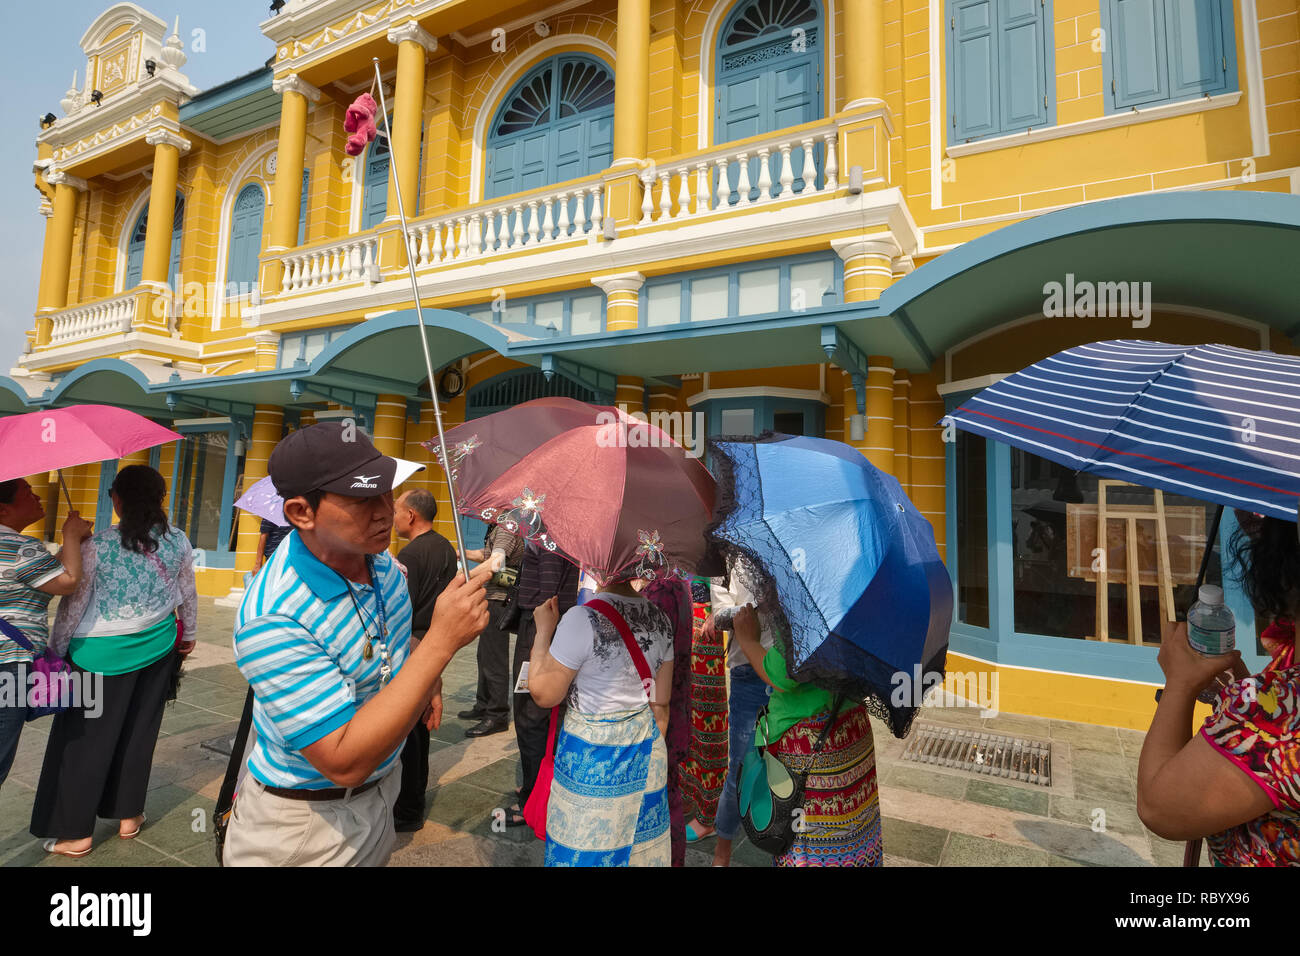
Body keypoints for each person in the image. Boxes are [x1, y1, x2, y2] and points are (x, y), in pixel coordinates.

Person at [223, 423, 494, 866]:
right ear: (300, 512)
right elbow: (343, 759)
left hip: (380, 795)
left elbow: (393, 637)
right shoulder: (275, 615)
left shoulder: (381, 563)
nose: (385, 511)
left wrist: (426, 679)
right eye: (362, 499)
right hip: (304, 826)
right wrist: (440, 645)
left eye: (387, 492)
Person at [31, 465, 198, 857]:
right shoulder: (178, 542)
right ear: (159, 499)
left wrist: (57, 650)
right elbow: (186, 593)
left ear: (116, 500)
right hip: (158, 648)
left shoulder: (95, 546)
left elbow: (74, 606)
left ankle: (75, 833)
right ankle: (128, 816)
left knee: (84, 743)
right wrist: (188, 635)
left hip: (97, 656)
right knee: (139, 732)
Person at [1137, 513, 1300, 865]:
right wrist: (1244, 691)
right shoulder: (1281, 684)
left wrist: (1178, 685)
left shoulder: (1284, 716)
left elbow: (1158, 806)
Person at [529, 574, 674, 866]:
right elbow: (661, 703)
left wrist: (543, 632)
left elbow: (545, 694)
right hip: (646, 752)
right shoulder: (660, 618)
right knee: (638, 853)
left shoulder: (581, 618)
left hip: (593, 758)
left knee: (584, 851)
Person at [731, 603, 883, 867]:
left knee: (809, 847)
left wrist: (748, 640)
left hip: (811, 744)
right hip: (852, 734)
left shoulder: (807, 605)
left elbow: (780, 674)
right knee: (855, 837)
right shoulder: (865, 600)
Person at [0, 479, 90, 789]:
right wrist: (72, 535)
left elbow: (48, 573)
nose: (37, 496)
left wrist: (70, 544)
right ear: (3, 509)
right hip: (8, 664)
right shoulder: (20, 547)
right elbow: (67, 582)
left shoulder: (23, 550)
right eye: (27, 492)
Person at [695, 566, 775, 866]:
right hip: (748, 670)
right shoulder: (722, 558)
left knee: (789, 765)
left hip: (791, 671)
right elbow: (721, 616)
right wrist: (759, 605)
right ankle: (722, 851)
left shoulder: (789, 543)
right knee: (741, 767)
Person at [391, 488, 457, 832]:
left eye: (396, 510)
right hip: (438, 642)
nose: (393, 517)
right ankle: (412, 801)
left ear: (412, 516)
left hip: (413, 645)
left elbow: (402, 609)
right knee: (420, 727)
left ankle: (407, 808)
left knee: (408, 729)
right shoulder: (446, 548)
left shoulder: (409, 555)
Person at [503, 539, 579, 827]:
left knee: (530, 714)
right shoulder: (564, 531)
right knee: (543, 717)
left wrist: (542, 640)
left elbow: (549, 601)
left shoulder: (548, 535)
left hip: (540, 627)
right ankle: (538, 786)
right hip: (550, 626)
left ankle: (534, 799)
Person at [641, 576, 694, 866]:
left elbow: (650, 663)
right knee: (669, 791)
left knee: (661, 799)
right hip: (675, 708)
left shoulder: (660, 592)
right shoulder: (675, 586)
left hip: (661, 715)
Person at [460, 522, 524, 738]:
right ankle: (483, 704)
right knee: (484, 655)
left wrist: (463, 579)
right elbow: (487, 555)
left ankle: (497, 714)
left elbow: (495, 563)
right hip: (491, 598)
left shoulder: (507, 527)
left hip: (499, 601)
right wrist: (463, 553)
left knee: (494, 658)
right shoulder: (497, 527)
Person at [678, 575, 728, 845]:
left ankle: (709, 814)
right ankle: (687, 796)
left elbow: (720, 571)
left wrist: (716, 613)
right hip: (681, 612)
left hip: (704, 617)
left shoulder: (712, 532)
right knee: (684, 712)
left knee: (707, 714)